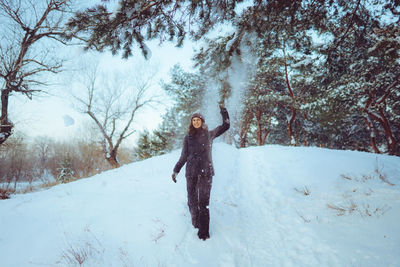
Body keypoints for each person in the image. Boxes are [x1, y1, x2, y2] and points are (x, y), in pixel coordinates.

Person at [171, 104, 230, 240]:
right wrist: (176, 170)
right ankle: (196, 224)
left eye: (198, 120)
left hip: (205, 173)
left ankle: (204, 233)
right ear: (192, 123)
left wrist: (223, 110)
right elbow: (184, 156)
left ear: (202, 122)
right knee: (192, 201)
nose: (196, 122)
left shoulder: (209, 135)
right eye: (194, 120)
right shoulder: (187, 138)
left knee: (203, 203)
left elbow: (226, 126)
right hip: (191, 173)